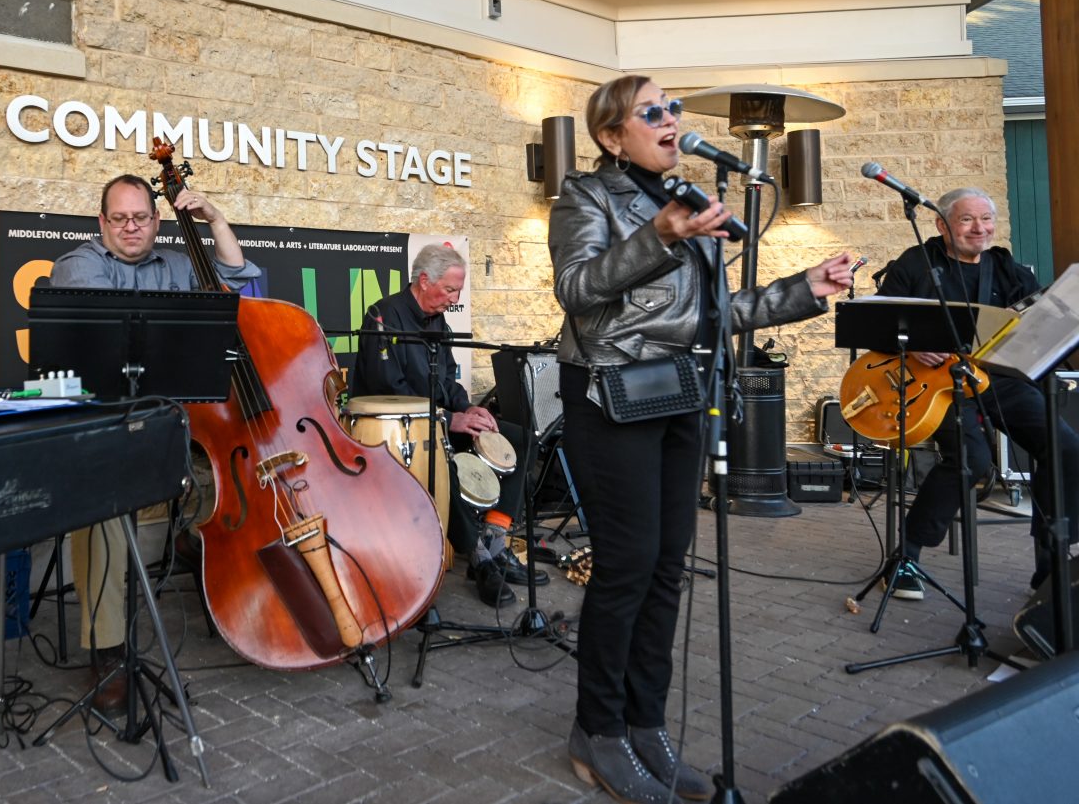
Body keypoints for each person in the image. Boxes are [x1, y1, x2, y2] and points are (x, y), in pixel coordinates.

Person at [549, 75, 851, 803]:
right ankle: (598, 731)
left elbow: (716, 313)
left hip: (681, 394)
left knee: (667, 568)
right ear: (610, 136)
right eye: (650, 112)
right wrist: (657, 238)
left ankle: (646, 721)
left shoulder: (688, 204)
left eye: (673, 109)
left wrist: (803, 290)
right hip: (613, 392)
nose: (670, 119)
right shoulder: (586, 198)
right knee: (626, 565)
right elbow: (580, 291)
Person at [48, 173, 261, 715]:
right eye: (118, 218)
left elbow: (244, 288)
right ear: (101, 223)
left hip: (177, 421)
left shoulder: (180, 262)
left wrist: (214, 221)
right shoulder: (80, 264)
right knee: (100, 505)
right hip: (110, 424)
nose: (130, 227)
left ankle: (208, 558)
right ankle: (108, 650)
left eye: (140, 217)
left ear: (157, 220)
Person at [875, 186, 1079, 596]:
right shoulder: (915, 263)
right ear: (941, 224)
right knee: (972, 460)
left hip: (997, 379)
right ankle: (905, 557)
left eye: (986, 219)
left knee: (1066, 448)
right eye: (967, 219)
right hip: (937, 388)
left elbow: (1036, 325)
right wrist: (913, 343)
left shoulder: (1007, 268)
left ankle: (1051, 563)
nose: (979, 228)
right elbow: (878, 322)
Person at [348, 244, 542, 608]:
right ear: (424, 281)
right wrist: (451, 420)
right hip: (402, 431)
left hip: (441, 419)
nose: (454, 298)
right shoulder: (383, 316)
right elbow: (389, 389)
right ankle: (480, 559)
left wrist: (470, 408)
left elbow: (448, 381)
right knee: (444, 463)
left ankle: (496, 540)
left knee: (520, 439)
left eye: (458, 291)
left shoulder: (439, 321)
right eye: (450, 290)